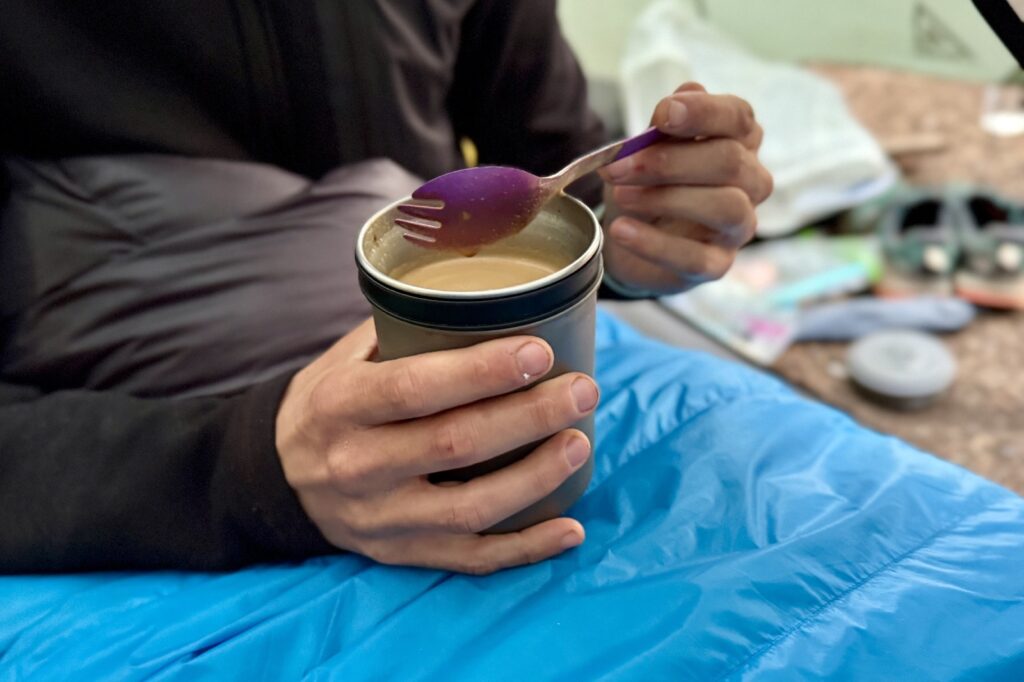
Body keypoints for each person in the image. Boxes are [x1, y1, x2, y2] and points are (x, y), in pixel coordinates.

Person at [0, 1, 771, 574]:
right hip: (144, 502)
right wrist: (245, 465)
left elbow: (556, 167)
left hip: (547, 436)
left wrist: (639, 233)